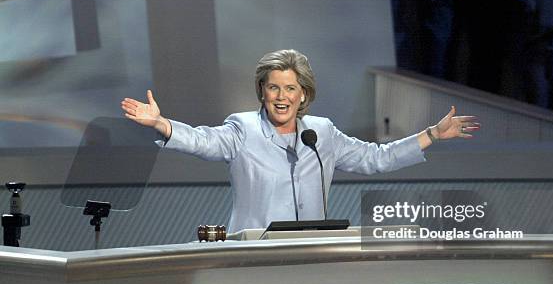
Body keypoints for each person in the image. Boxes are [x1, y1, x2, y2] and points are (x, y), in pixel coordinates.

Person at [121, 49, 479, 232]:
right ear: (262, 92)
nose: (281, 96)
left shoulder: (320, 133)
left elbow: (376, 159)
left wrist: (432, 134)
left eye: (290, 88)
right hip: (252, 256)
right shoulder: (243, 129)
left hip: (310, 252)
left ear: (303, 95)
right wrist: (162, 124)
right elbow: (203, 141)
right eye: (273, 87)